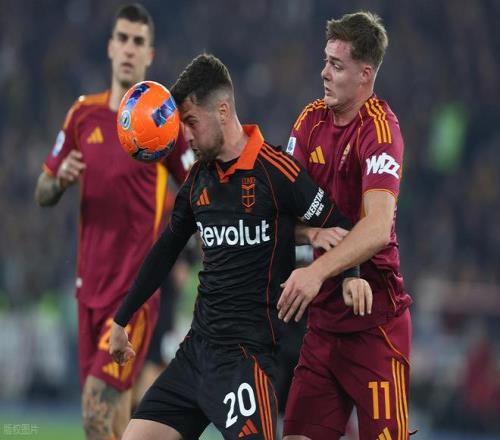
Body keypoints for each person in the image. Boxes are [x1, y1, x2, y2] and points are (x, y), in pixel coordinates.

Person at [108, 53, 370, 440]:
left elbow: (339, 223)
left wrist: (350, 275)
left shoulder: (276, 170)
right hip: (195, 353)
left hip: (246, 361)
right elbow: (165, 250)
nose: (186, 137)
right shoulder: (197, 180)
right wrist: (121, 320)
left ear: (223, 111)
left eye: (191, 123)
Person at [34, 4, 193, 439]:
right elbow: (42, 190)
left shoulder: (161, 121)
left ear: (150, 54)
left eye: (138, 42)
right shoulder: (82, 115)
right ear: (109, 47)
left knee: (95, 412)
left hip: (133, 296)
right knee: (115, 422)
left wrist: (189, 251)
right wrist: (59, 181)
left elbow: (198, 186)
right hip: (88, 291)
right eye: (122, 38)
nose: (128, 48)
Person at [278, 11, 413, 440]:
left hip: (376, 326)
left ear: (364, 74)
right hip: (323, 327)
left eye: (337, 65)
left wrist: (317, 270)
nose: (324, 73)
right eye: (326, 61)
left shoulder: (380, 130)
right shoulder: (309, 121)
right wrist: (312, 236)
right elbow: (280, 212)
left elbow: (377, 227)